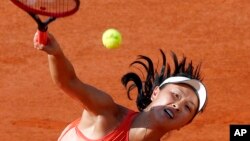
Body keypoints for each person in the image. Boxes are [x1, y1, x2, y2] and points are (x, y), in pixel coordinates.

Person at [33, 32, 207, 141]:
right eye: (175, 95)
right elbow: (68, 82)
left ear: (183, 125)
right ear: (155, 93)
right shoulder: (107, 115)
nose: (177, 105)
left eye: (187, 107)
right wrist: (56, 54)